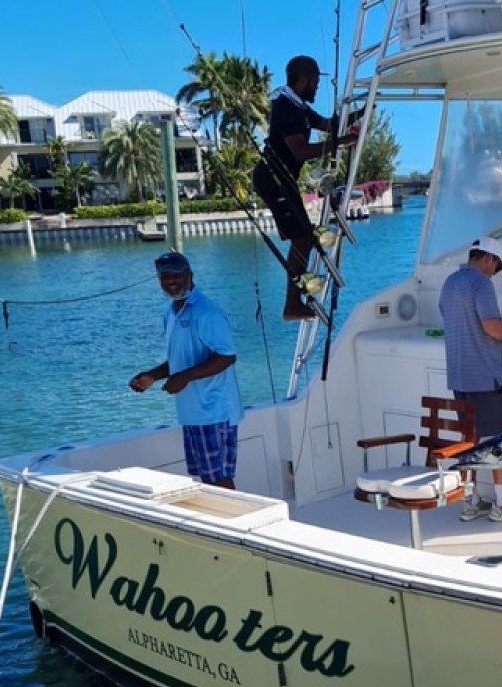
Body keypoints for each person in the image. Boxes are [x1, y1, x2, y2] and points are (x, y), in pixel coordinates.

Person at [439, 236, 502, 524]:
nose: (495, 272)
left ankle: (470, 502)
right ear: (488, 259)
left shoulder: (450, 283)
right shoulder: (481, 283)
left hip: (459, 377)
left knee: (469, 442)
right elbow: (491, 327)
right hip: (486, 377)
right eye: (496, 266)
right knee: (500, 440)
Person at [129, 251, 245, 489]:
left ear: (190, 275)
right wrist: (151, 376)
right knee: (206, 478)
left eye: (176, 275)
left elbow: (227, 356)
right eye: (164, 277)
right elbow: (179, 360)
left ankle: (231, 525)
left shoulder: (206, 312)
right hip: (192, 412)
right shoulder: (171, 313)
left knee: (218, 477)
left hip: (214, 410)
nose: (171, 281)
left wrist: (184, 377)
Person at [252, 55, 349, 322]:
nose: (317, 88)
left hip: (283, 180)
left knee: (305, 238)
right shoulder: (285, 107)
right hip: (272, 179)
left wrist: (359, 112)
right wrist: (339, 142)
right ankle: (292, 305)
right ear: (304, 80)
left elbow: (329, 125)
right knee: (301, 239)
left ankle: (297, 296)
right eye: (316, 82)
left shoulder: (300, 107)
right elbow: (301, 152)